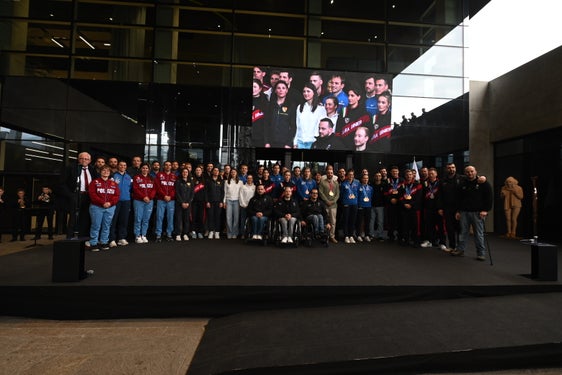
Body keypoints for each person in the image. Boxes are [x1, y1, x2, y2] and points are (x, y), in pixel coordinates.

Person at [451, 165, 494, 261]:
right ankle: (460, 250)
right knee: (463, 233)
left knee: (478, 234)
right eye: (467, 172)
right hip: (464, 212)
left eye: (471, 171)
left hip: (478, 212)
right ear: (465, 173)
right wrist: (458, 211)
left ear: (475, 171)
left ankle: (481, 253)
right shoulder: (462, 184)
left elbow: (489, 197)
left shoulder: (483, 182)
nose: (470, 173)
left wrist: (485, 210)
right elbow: (458, 199)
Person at [60, 151, 95, 239]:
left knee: (86, 217)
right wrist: (70, 195)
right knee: (73, 217)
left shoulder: (92, 169)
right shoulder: (71, 168)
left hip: (88, 196)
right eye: (82, 158)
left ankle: (82, 237)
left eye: (86, 159)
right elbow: (62, 183)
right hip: (75, 195)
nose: (84, 160)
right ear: (78, 159)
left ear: (90, 161)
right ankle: (70, 237)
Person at [87, 165, 120, 251]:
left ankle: (104, 242)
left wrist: (110, 203)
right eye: (104, 170)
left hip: (110, 207)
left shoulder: (114, 184)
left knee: (107, 225)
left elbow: (116, 196)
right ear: (100, 172)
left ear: (110, 173)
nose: (106, 172)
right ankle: (93, 243)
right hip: (96, 207)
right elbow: (92, 194)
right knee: (96, 225)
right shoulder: (94, 182)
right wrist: (102, 203)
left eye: (108, 171)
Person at [419, 168, 446, 250]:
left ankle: (442, 243)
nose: (430, 175)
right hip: (428, 208)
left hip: (438, 208)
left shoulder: (440, 183)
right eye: (429, 174)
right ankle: (429, 241)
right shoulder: (425, 183)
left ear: (436, 174)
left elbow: (443, 196)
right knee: (429, 226)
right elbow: (422, 195)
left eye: (432, 174)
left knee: (440, 226)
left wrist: (441, 207)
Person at [264, 80, 297, 149]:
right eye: (278, 88)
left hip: (285, 144)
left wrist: (288, 143)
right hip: (271, 143)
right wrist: (266, 142)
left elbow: (293, 127)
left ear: (287, 90)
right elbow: (266, 124)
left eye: (283, 88)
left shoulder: (292, 106)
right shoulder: (270, 105)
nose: (281, 90)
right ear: (275, 90)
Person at [294, 82, 326, 149]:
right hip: (300, 142)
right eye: (304, 91)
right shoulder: (300, 107)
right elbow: (297, 126)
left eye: (308, 91)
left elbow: (322, 127)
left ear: (314, 92)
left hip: (313, 142)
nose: (306, 93)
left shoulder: (320, 108)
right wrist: (295, 142)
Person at [108, 160, 132, 247]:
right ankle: (112, 239)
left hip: (126, 200)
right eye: (121, 165)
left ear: (126, 167)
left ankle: (121, 238)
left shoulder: (129, 177)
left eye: (124, 165)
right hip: (115, 201)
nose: (122, 167)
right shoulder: (113, 176)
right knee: (113, 220)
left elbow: (131, 189)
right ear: (118, 166)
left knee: (124, 220)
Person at [398, 169, 423, 248]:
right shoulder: (402, 185)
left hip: (414, 209)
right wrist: (405, 204)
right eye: (407, 175)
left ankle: (415, 241)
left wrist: (411, 205)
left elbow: (418, 198)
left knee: (415, 226)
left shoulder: (418, 185)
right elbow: (400, 196)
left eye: (410, 174)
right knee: (405, 225)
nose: (409, 176)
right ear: (405, 176)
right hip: (404, 208)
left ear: (413, 175)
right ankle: (406, 240)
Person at [132, 163, 156, 244]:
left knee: (146, 219)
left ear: (149, 170)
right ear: (141, 169)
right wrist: (143, 197)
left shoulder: (152, 178)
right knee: (138, 218)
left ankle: (144, 235)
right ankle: (137, 235)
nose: (145, 169)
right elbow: (135, 188)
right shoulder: (136, 177)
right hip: (139, 201)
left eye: (146, 168)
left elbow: (154, 189)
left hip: (149, 201)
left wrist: (149, 197)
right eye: (143, 168)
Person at [154, 161, 177, 242]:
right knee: (159, 217)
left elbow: (175, 188)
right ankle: (158, 235)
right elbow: (157, 187)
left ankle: (169, 234)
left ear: (171, 167)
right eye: (166, 165)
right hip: (161, 199)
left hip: (171, 200)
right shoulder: (159, 175)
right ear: (163, 166)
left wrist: (170, 196)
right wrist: (164, 196)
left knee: (170, 217)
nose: (168, 166)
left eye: (169, 165)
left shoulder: (174, 176)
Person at [318, 165, 340, 243]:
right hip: (325, 205)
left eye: (331, 173)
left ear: (333, 174)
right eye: (328, 173)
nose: (330, 174)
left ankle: (332, 236)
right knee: (324, 221)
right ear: (326, 173)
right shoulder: (322, 182)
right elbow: (320, 193)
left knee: (333, 222)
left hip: (333, 205)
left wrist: (333, 201)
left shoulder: (336, 183)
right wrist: (327, 201)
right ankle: (325, 236)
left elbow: (338, 194)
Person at [174, 167, 194, 241]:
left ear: (188, 173)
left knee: (186, 219)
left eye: (186, 172)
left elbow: (192, 193)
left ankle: (185, 233)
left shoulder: (191, 181)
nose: (185, 173)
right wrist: (182, 202)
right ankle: (178, 234)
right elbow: (177, 193)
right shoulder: (178, 181)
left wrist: (188, 202)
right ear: (181, 173)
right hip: (179, 203)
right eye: (183, 172)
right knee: (178, 219)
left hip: (188, 204)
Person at [341, 169, 360, 243]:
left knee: (353, 220)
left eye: (352, 174)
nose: (351, 176)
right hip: (346, 203)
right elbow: (341, 194)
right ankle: (346, 236)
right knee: (346, 220)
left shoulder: (357, 183)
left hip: (354, 204)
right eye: (349, 174)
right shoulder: (343, 184)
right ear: (347, 175)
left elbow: (358, 193)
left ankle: (351, 235)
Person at [205, 167, 224, 239]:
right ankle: (211, 231)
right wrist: (207, 201)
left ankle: (217, 232)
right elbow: (206, 192)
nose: (216, 172)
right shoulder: (208, 181)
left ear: (219, 172)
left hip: (218, 202)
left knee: (217, 217)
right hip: (210, 202)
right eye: (215, 170)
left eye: (217, 170)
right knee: (210, 217)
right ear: (212, 172)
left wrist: (221, 201)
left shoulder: (221, 181)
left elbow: (222, 192)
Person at [224, 168, 243, 239]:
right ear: (230, 173)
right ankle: (229, 232)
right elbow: (225, 192)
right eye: (232, 172)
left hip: (237, 201)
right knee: (228, 218)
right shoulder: (226, 182)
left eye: (234, 172)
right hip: (228, 200)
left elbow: (241, 193)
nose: (233, 173)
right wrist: (224, 202)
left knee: (236, 218)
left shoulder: (240, 182)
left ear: (236, 173)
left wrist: (241, 202)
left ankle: (235, 233)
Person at [369, 171, 387, 242]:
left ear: (381, 177)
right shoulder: (371, 185)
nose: (378, 177)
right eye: (376, 176)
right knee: (371, 221)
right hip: (372, 205)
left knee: (380, 221)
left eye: (379, 176)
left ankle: (380, 235)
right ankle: (371, 234)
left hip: (381, 206)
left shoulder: (384, 184)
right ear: (374, 177)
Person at [252, 78, 269, 148]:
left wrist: (267, 141)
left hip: (261, 138)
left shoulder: (265, 101)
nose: (253, 89)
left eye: (255, 87)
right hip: (248, 136)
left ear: (260, 89)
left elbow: (267, 122)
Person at [356, 173, 373, 241]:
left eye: (367, 178)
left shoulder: (370, 188)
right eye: (364, 178)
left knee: (367, 221)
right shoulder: (358, 187)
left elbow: (371, 196)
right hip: (360, 206)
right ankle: (358, 235)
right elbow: (357, 196)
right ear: (362, 179)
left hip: (368, 206)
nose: (365, 179)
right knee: (359, 221)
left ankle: (366, 235)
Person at [190, 166, 206, 239]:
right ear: (195, 171)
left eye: (199, 170)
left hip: (202, 201)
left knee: (201, 217)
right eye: (197, 170)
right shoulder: (192, 179)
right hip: (193, 201)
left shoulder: (204, 180)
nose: (198, 171)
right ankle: (193, 231)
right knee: (194, 216)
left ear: (201, 171)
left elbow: (207, 191)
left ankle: (200, 232)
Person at [238, 174, 256, 239]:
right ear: (246, 179)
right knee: (243, 220)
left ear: (252, 179)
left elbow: (255, 197)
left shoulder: (255, 187)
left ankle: (251, 233)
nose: (249, 179)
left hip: (252, 207)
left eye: (251, 178)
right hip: (244, 206)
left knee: (252, 220)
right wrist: (244, 204)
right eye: (248, 178)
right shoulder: (243, 187)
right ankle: (242, 234)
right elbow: (241, 196)